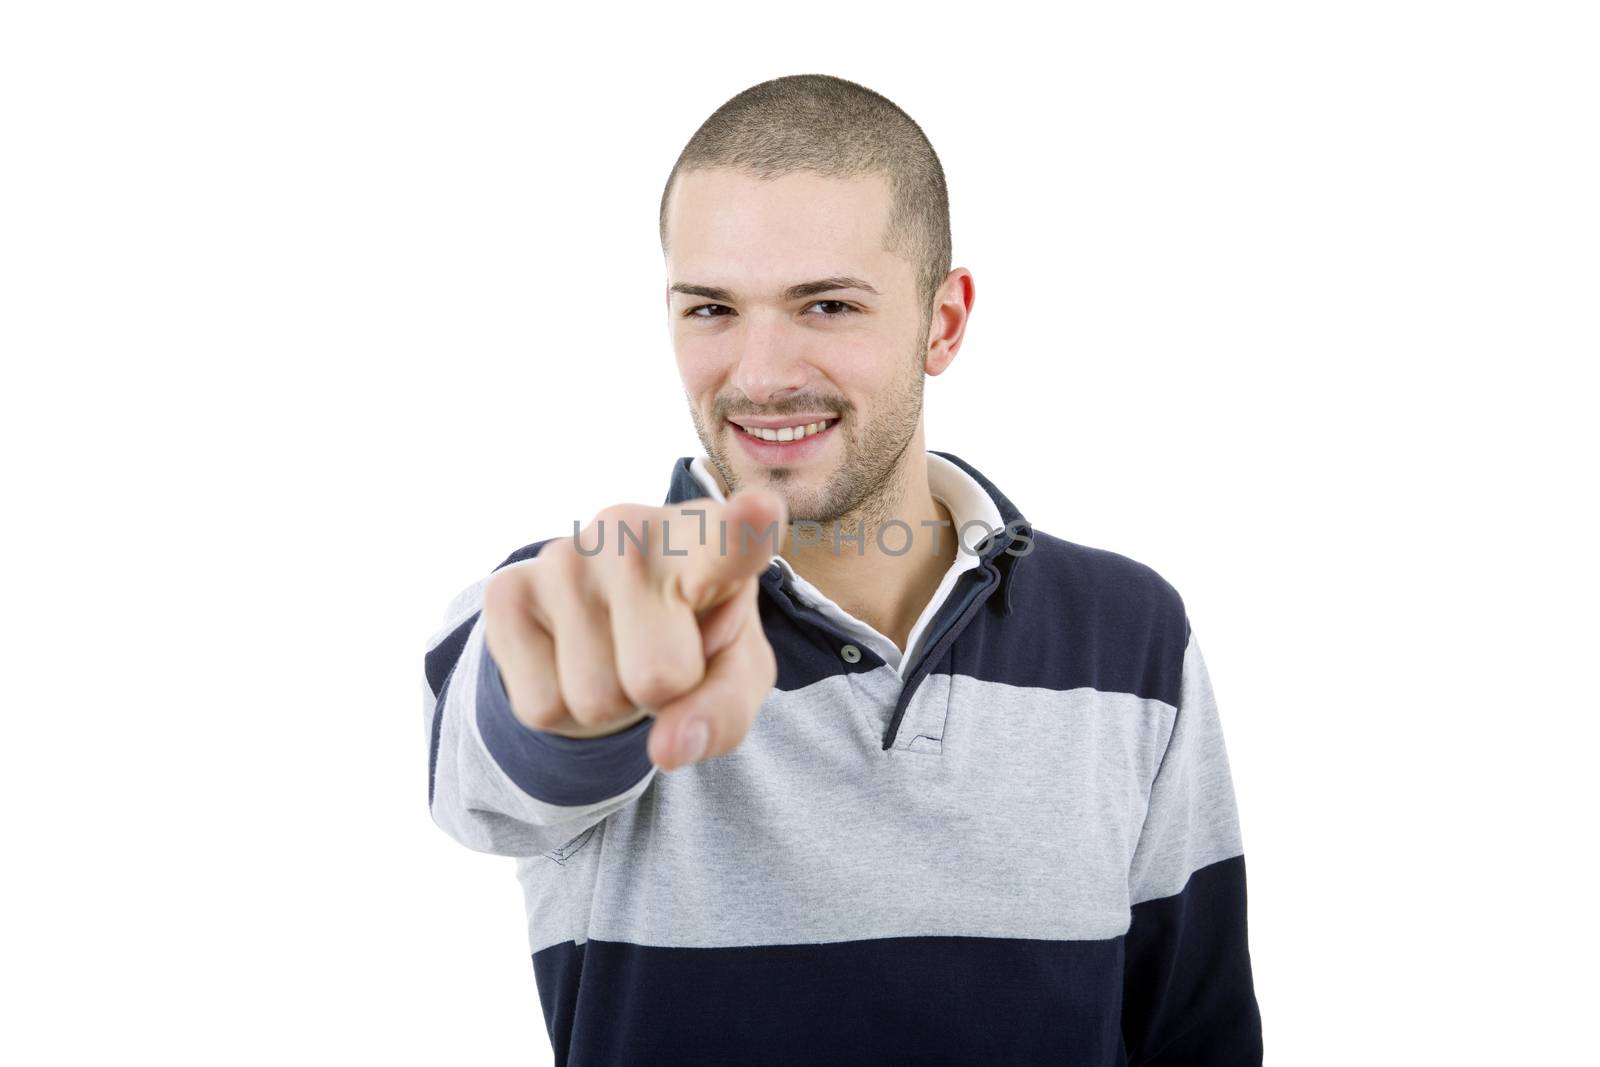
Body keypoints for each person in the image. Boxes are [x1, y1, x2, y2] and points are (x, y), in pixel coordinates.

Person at [422, 73, 1263, 1065]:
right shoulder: (589, 595)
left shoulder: (1128, 631)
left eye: (824, 305)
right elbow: (502, 749)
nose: (761, 371)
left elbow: (1193, 1034)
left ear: (942, 323)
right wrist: (579, 710)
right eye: (711, 309)